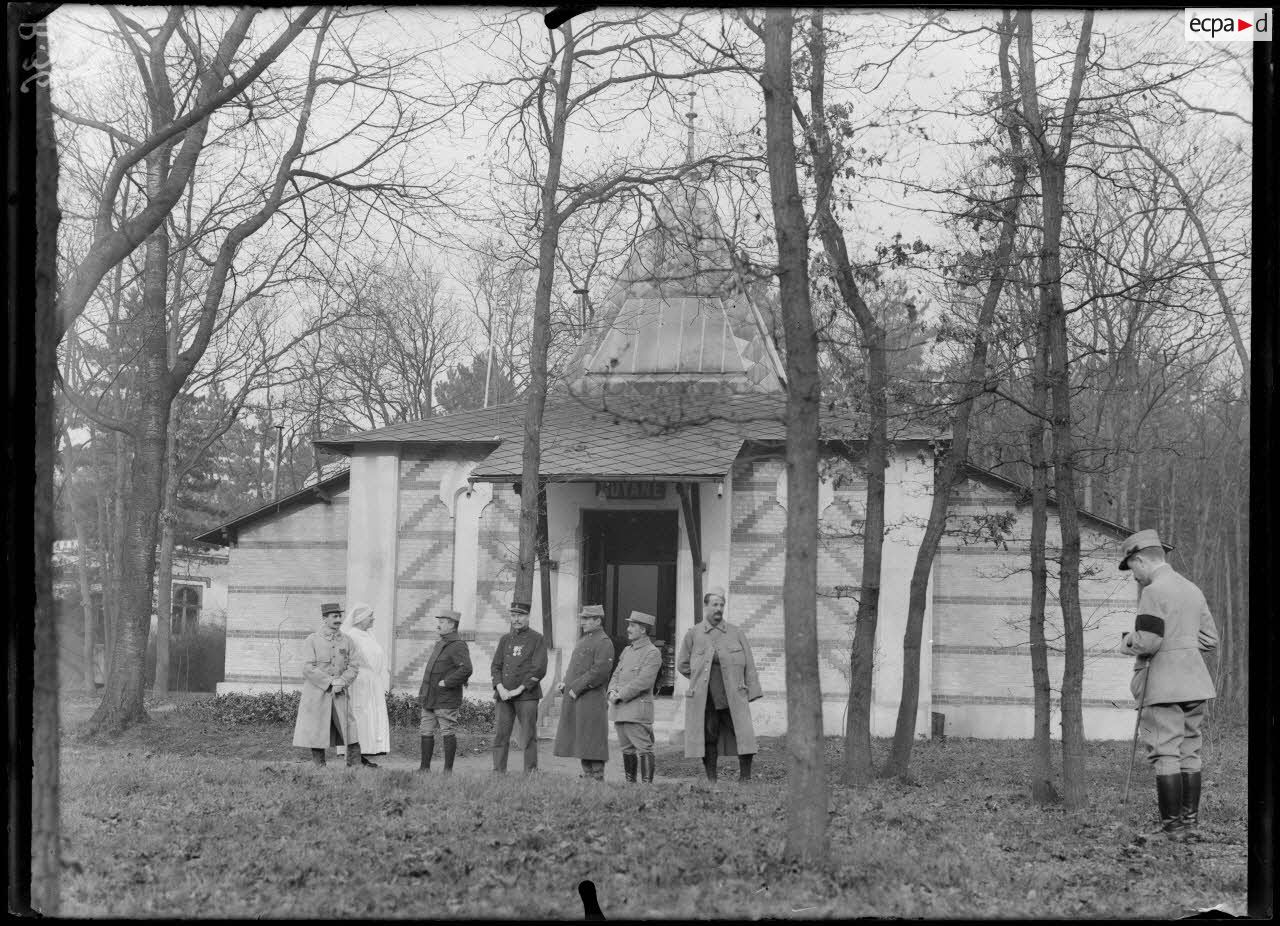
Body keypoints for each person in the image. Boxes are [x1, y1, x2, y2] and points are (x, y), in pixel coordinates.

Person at [1119, 529, 1218, 835]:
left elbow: (1147, 642)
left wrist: (1126, 641)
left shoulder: (1153, 592)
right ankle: (1189, 825)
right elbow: (1209, 639)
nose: (1133, 575)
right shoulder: (1192, 589)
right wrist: (1181, 646)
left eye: (1131, 567)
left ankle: (1172, 829)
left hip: (1162, 685)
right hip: (1195, 683)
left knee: (1166, 752)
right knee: (1189, 751)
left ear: (1140, 560)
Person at [678, 586, 762, 783]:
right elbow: (683, 664)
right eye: (715, 604)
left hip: (733, 694)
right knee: (709, 736)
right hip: (705, 698)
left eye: (721, 604)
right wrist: (699, 679)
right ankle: (712, 779)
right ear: (706, 607)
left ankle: (745, 778)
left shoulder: (736, 633)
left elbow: (749, 663)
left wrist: (752, 690)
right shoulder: (694, 634)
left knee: (744, 735)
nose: (719, 608)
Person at [292, 602, 363, 767]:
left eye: (340, 616)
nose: (339, 620)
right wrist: (331, 682)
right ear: (325, 619)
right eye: (334, 616)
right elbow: (308, 668)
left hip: (340, 693)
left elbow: (354, 666)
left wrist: (342, 681)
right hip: (317, 693)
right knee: (317, 728)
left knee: (349, 727)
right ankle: (319, 766)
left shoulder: (347, 641)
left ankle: (355, 765)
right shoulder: (312, 640)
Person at [554, 604, 616, 781]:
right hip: (577, 697)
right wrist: (565, 684)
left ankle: (597, 776)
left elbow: (600, 671)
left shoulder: (604, 642)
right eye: (582, 618)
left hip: (591, 698)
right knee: (581, 738)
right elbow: (574, 667)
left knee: (592, 738)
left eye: (587, 619)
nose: (583, 622)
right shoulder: (583, 640)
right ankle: (587, 774)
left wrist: (576, 688)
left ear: (598, 620)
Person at [491, 599, 548, 774]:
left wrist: (520, 688)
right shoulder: (505, 639)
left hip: (526, 696)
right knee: (501, 735)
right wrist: (500, 687)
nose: (516, 619)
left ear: (528, 616)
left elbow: (539, 668)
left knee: (529, 736)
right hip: (504, 696)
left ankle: (530, 772)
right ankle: (498, 771)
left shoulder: (537, 639)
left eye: (521, 615)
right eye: (513, 615)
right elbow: (496, 666)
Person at [607, 610, 663, 784]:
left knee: (643, 748)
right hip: (620, 708)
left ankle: (646, 787)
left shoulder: (652, 652)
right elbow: (616, 674)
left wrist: (620, 695)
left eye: (632, 625)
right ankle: (630, 785)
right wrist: (611, 691)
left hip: (637, 709)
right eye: (629, 625)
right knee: (626, 749)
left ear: (643, 630)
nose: (628, 629)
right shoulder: (626, 651)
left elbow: (643, 682)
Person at [417, 609, 473, 774]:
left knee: (447, 731)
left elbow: (466, 669)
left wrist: (447, 682)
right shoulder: (440, 643)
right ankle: (424, 768)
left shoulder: (458, 645)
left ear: (451, 624)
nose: (438, 625)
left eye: (442, 622)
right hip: (430, 696)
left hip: (446, 698)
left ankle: (448, 770)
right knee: (425, 730)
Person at [336, 603, 391, 767]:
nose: (373, 619)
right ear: (360, 619)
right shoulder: (352, 635)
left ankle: (364, 754)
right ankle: (355, 756)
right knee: (360, 716)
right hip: (359, 682)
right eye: (370, 616)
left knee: (369, 716)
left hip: (371, 682)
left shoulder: (368, 635)